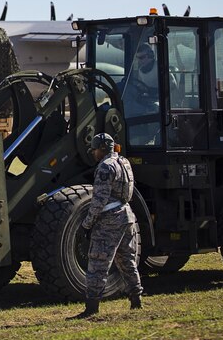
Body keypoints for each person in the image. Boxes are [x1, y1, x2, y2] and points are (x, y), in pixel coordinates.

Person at [72, 133, 142, 319]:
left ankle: (91, 308)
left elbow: (99, 200)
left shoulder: (105, 167)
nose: (93, 153)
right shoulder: (124, 162)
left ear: (101, 149)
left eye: (94, 149)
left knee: (97, 263)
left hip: (109, 219)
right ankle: (136, 300)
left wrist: (87, 225)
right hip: (126, 215)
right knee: (127, 260)